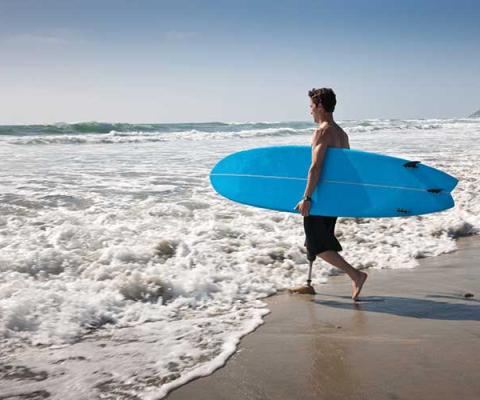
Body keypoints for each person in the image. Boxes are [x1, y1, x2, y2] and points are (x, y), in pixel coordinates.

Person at [292, 88, 367, 301]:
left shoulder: (323, 132)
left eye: (311, 107)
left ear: (320, 107)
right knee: (313, 241)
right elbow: (345, 170)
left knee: (317, 243)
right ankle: (308, 284)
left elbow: (315, 167)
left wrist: (307, 197)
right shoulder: (342, 134)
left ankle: (356, 275)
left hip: (320, 195)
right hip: (333, 197)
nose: (310, 112)